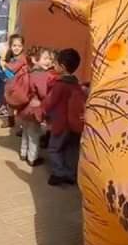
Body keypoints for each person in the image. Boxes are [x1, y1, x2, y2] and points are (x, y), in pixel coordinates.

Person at [43, 48, 85, 186]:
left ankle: (59, 173)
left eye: (55, 63)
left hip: (60, 123)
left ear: (62, 66)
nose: (53, 65)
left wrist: (41, 111)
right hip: (74, 123)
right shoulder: (76, 84)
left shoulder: (60, 85)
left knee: (54, 148)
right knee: (71, 149)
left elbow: (49, 102)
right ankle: (71, 173)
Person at [16, 47, 55, 167]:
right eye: (45, 58)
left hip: (24, 108)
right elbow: (43, 93)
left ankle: (23, 153)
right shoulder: (42, 75)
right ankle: (32, 158)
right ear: (34, 59)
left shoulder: (29, 71)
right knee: (34, 134)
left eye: (50, 59)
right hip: (34, 110)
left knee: (26, 131)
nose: (48, 61)